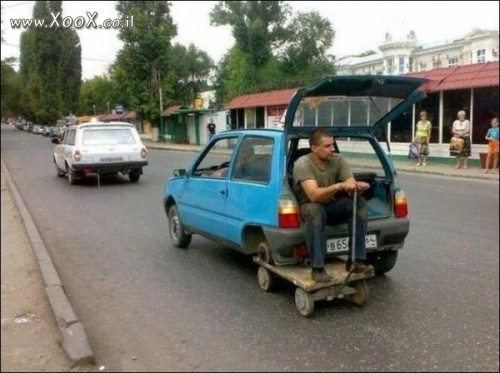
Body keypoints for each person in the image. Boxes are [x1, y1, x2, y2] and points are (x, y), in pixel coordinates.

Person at [292, 128, 371, 282]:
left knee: (359, 203)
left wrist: (356, 187)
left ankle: (356, 261)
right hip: (309, 205)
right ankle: (318, 268)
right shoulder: (302, 164)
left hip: (331, 205)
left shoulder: (338, 160)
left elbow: (349, 182)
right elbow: (313, 195)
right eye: (327, 146)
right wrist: (338, 186)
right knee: (315, 211)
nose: (332, 149)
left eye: (333, 145)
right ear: (314, 148)